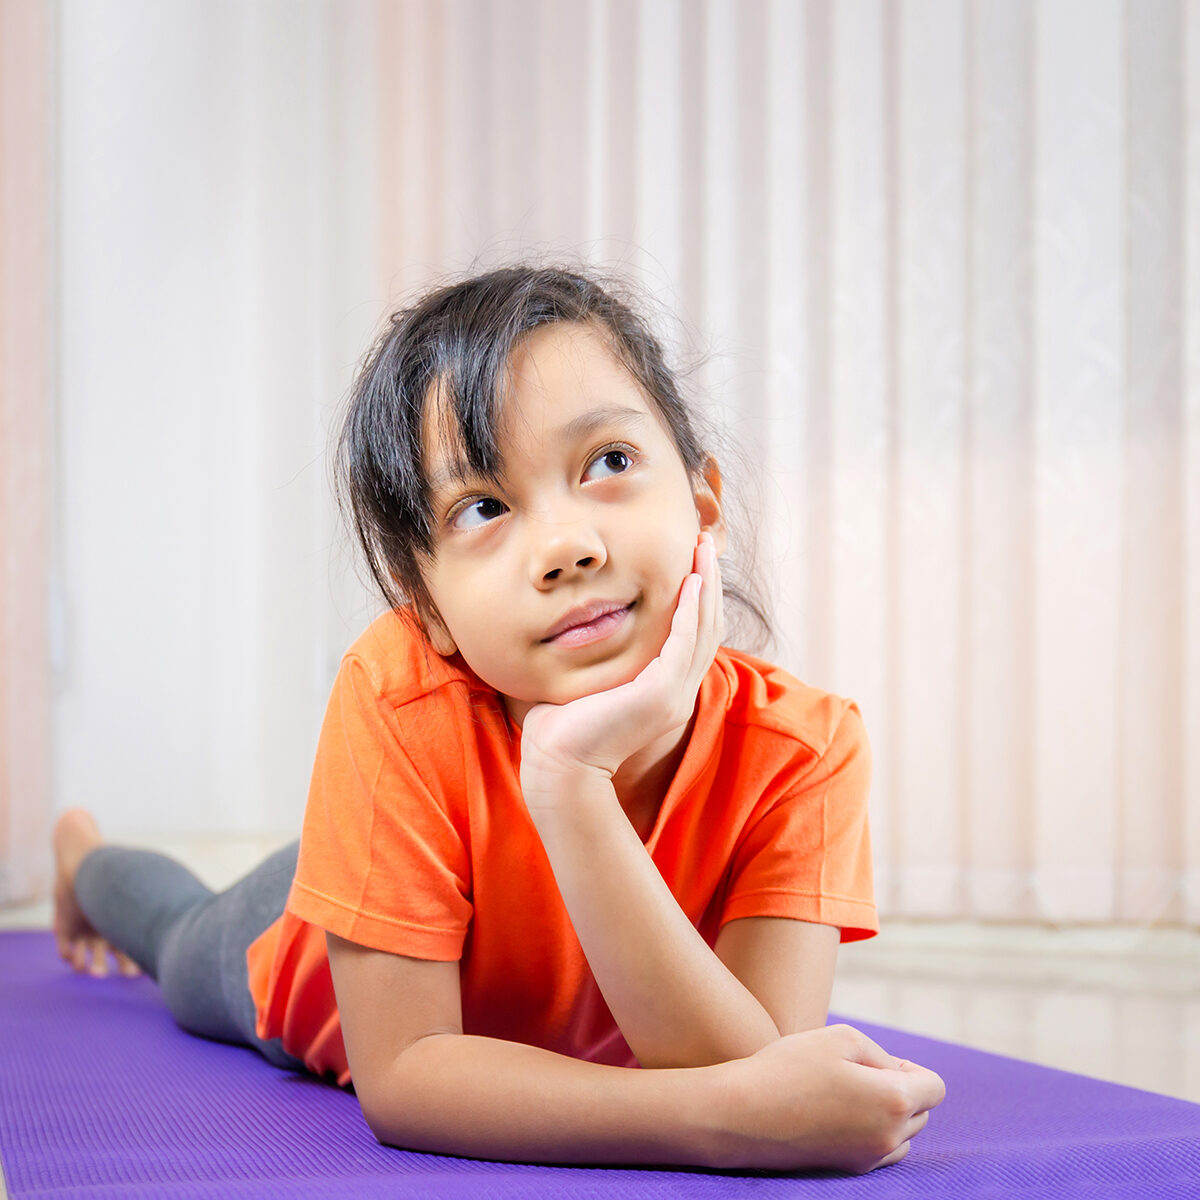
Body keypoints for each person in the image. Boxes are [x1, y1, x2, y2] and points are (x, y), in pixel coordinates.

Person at [52, 265, 945, 1174]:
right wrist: (565, 782)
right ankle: (83, 860)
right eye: (483, 507)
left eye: (609, 462)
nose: (565, 547)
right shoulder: (398, 693)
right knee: (175, 933)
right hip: (323, 941)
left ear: (703, 502)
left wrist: (575, 790)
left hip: (448, 867)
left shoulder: (807, 748)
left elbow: (764, 1082)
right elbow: (405, 1077)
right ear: (428, 607)